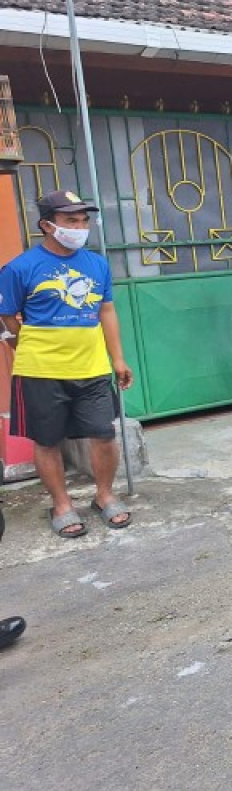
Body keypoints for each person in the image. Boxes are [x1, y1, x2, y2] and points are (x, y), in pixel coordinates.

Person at [0, 190, 133, 537]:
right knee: (47, 440)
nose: (80, 226)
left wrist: (117, 358)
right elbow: (8, 317)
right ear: (47, 224)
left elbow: (106, 311)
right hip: (40, 370)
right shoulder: (19, 268)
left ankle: (104, 495)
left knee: (104, 435)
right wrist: (33, 342)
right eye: (71, 220)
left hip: (92, 367)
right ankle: (61, 504)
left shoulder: (96, 264)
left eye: (84, 220)